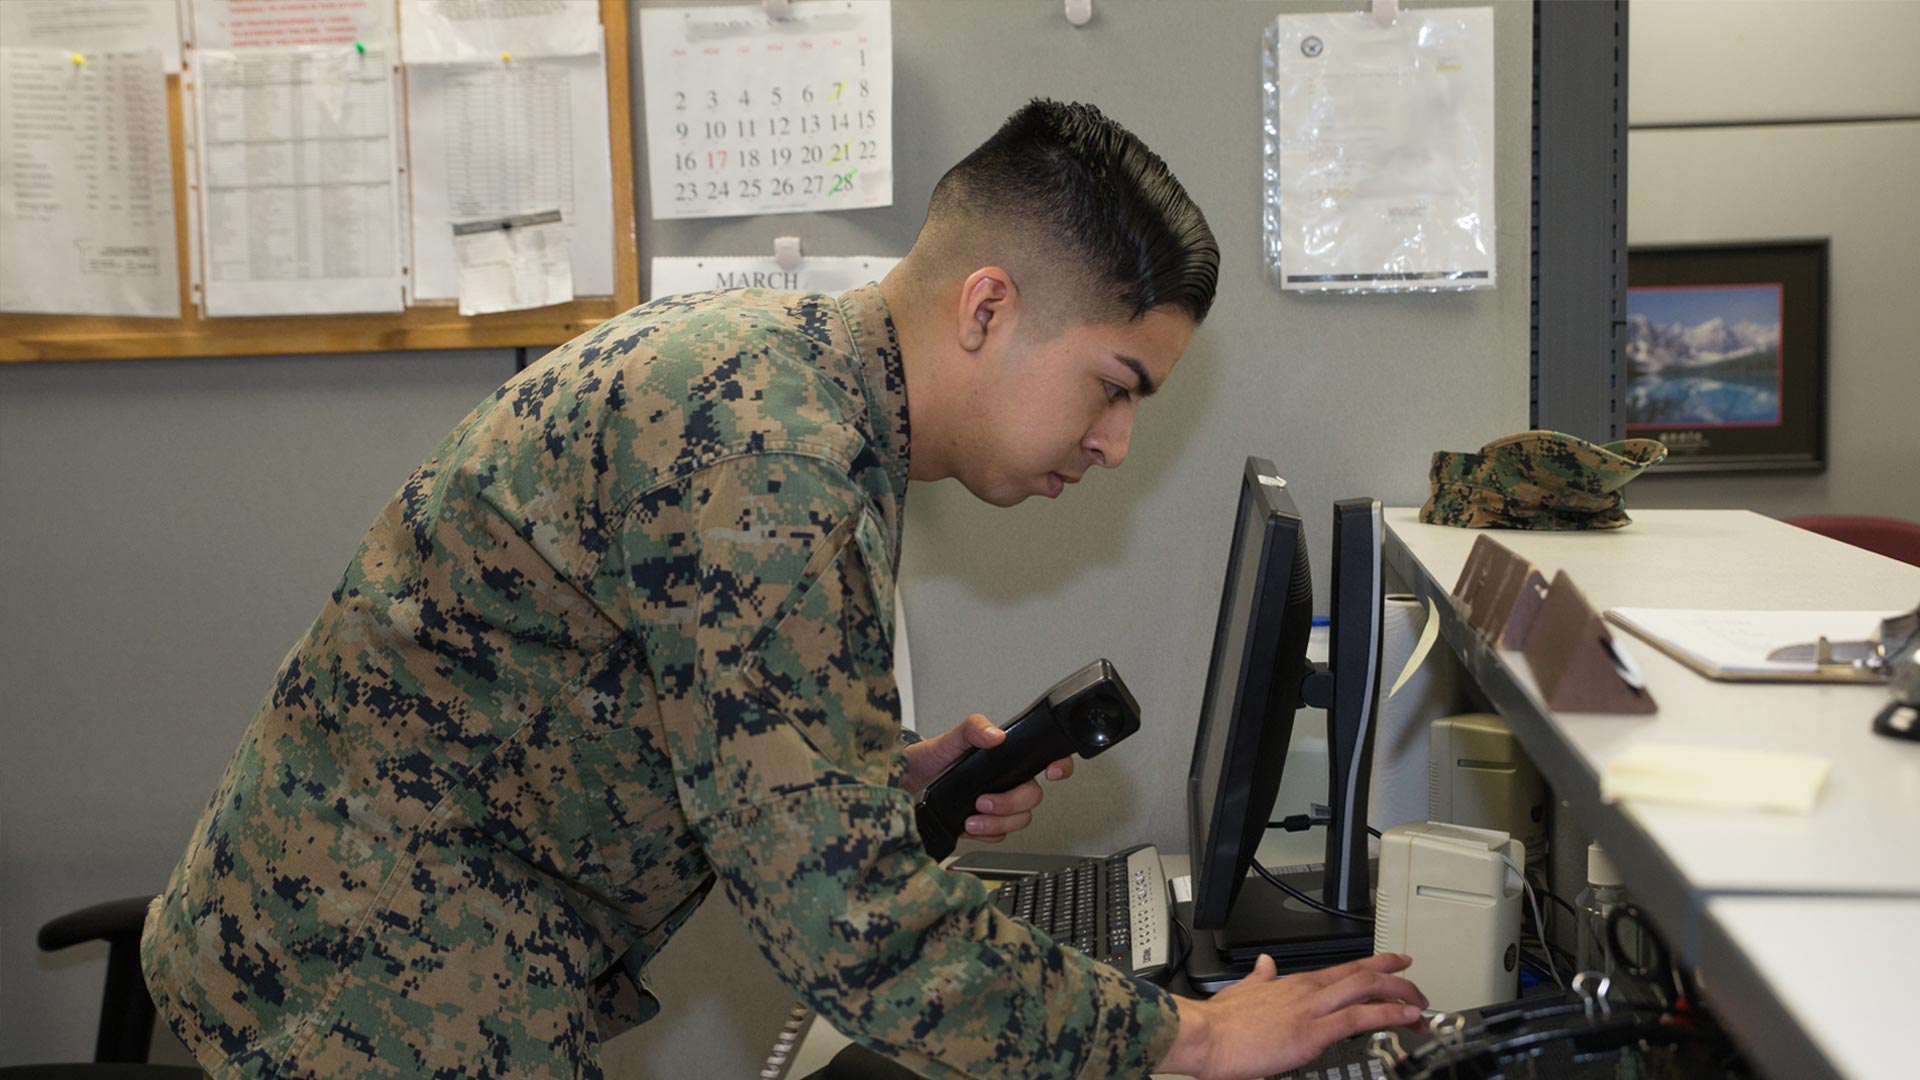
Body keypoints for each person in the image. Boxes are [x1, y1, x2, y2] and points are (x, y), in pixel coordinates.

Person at [142, 99, 1424, 1080]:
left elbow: (681, 709)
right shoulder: (770, 460)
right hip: (360, 992)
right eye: (1113, 386)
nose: (1116, 445)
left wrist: (875, 780)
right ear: (988, 308)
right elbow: (851, 923)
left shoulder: (799, 384)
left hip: (389, 944)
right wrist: (1192, 1039)